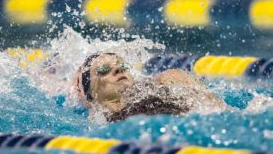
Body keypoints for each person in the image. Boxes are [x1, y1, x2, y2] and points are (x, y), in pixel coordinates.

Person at [73, 52, 227, 122]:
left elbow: (216, 112)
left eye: (124, 66)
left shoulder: (161, 87)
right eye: (104, 70)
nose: (119, 70)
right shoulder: (99, 121)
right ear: (91, 94)